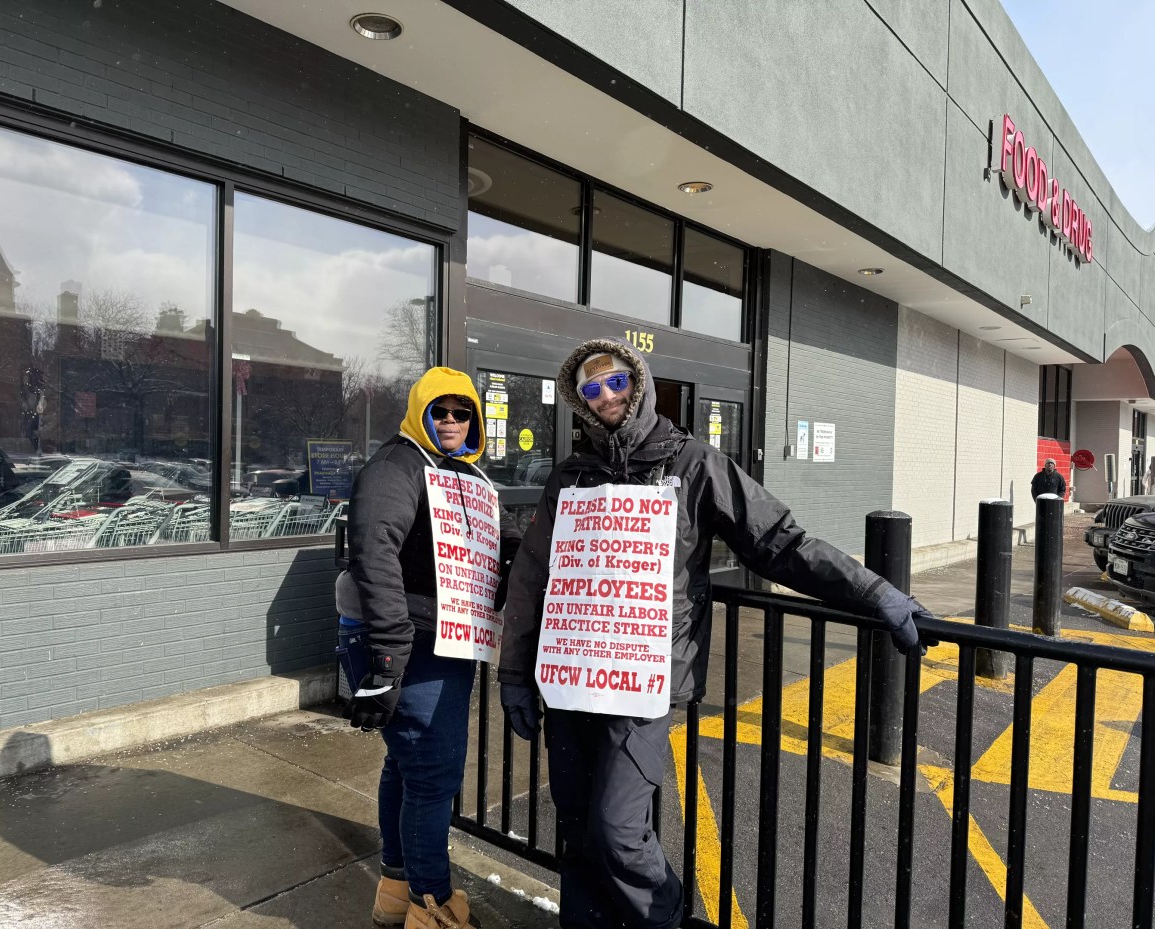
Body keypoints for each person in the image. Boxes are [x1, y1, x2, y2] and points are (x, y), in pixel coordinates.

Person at [497, 338, 932, 929]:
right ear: (579, 401)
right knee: (576, 825)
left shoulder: (694, 463)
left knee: (618, 829)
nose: (605, 396)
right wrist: (515, 674)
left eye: (616, 381)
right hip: (572, 675)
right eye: (591, 388)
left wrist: (871, 590)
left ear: (640, 383)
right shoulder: (570, 477)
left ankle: (668, 919)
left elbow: (781, 543)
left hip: (646, 679)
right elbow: (532, 577)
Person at [336, 366, 522, 929]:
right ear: (419, 410)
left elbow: (504, 535)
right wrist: (389, 659)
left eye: (461, 412)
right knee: (434, 774)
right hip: (410, 638)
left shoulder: (466, 475)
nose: (450, 420)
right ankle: (432, 904)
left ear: (475, 421)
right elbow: (376, 555)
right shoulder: (397, 466)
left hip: (445, 636)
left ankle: (397, 891)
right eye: (439, 410)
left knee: (409, 766)